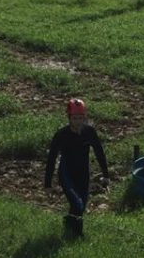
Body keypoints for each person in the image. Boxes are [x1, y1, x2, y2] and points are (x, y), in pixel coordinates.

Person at [44, 98, 109, 237]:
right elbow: (51, 158)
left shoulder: (89, 132)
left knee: (80, 207)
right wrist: (47, 184)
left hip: (84, 172)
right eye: (75, 118)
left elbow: (99, 152)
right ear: (69, 118)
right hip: (67, 173)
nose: (78, 122)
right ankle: (78, 236)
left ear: (84, 118)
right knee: (77, 205)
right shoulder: (61, 135)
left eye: (81, 118)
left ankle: (68, 223)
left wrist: (106, 174)